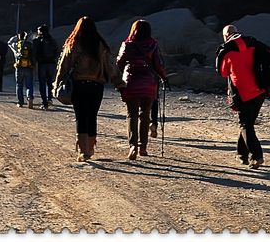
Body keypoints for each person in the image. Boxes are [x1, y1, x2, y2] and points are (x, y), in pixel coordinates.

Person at [54, 16, 123, 162]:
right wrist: (118, 81)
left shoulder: (73, 44)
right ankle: (91, 148)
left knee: (81, 116)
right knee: (92, 116)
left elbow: (63, 66)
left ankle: (84, 151)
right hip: (97, 86)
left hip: (79, 85)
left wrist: (57, 83)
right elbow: (110, 65)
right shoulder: (100, 45)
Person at [216, 25, 270, 169]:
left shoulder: (228, 52)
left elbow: (223, 73)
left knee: (245, 125)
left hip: (242, 93)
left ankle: (257, 156)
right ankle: (242, 154)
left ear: (225, 36)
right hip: (260, 91)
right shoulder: (253, 45)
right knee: (248, 123)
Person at [116, 19, 168, 160]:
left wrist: (118, 80)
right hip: (148, 83)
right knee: (145, 115)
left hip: (131, 82)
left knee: (131, 114)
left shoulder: (127, 45)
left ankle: (133, 145)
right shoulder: (153, 45)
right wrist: (164, 77)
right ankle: (143, 147)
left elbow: (119, 64)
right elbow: (159, 64)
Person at [33, 25, 60, 110]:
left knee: (42, 83)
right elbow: (57, 51)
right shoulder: (52, 40)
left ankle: (44, 103)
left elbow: (34, 52)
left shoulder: (37, 41)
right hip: (52, 64)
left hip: (42, 64)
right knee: (50, 82)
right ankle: (50, 99)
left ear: (41, 31)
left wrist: (37, 60)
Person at [8, 31, 35, 108]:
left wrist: (16, 37)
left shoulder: (16, 45)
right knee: (29, 85)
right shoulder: (30, 44)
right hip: (29, 68)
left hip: (19, 67)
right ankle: (30, 97)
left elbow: (9, 42)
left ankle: (20, 102)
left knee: (19, 85)